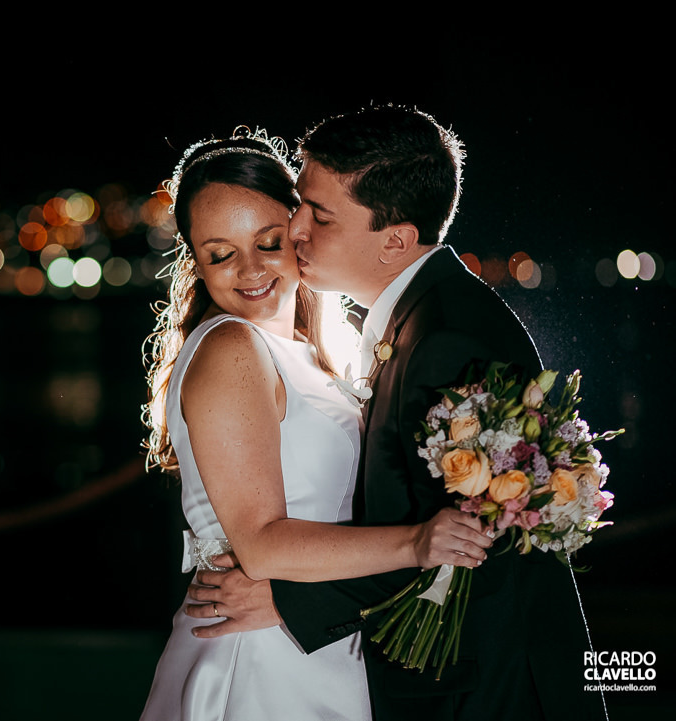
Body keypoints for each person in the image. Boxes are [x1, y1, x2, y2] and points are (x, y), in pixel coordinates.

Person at [187, 107, 607, 720]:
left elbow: (475, 537)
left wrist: (290, 601)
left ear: (395, 240)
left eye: (319, 214)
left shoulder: (448, 336)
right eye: (300, 205)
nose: (295, 227)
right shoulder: (415, 320)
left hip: (487, 689)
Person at [138, 128, 492, 721]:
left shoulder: (312, 352)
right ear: (195, 263)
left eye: (268, 241)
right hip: (260, 661)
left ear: (298, 228)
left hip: (320, 638)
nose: (250, 269)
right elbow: (261, 544)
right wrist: (416, 543)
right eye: (220, 254)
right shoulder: (231, 347)